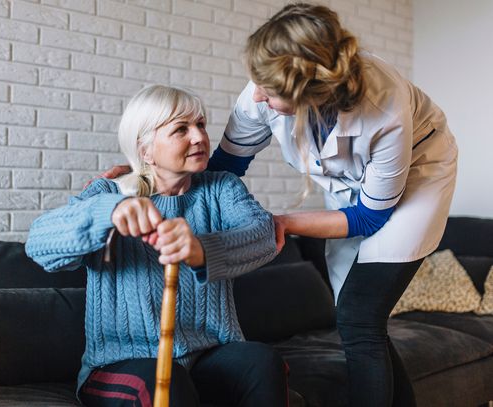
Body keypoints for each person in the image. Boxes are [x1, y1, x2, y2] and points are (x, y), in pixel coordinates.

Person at [102, 3, 457, 407]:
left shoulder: (383, 110)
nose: (256, 95)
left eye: (269, 92)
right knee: (359, 318)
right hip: (353, 188)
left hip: (418, 174)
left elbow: (369, 216)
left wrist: (285, 221)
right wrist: (143, 177)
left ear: (309, 96)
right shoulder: (260, 92)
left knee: (359, 316)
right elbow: (225, 167)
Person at [25, 85, 289, 407]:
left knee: (261, 361)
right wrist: (108, 211)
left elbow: (263, 234)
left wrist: (202, 250)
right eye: (181, 129)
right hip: (122, 363)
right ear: (146, 150)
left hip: (208, 355)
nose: (199, 137)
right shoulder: (109, 192)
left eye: (201, 125)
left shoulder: (220, 188)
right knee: (164, 382)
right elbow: (39, 244)